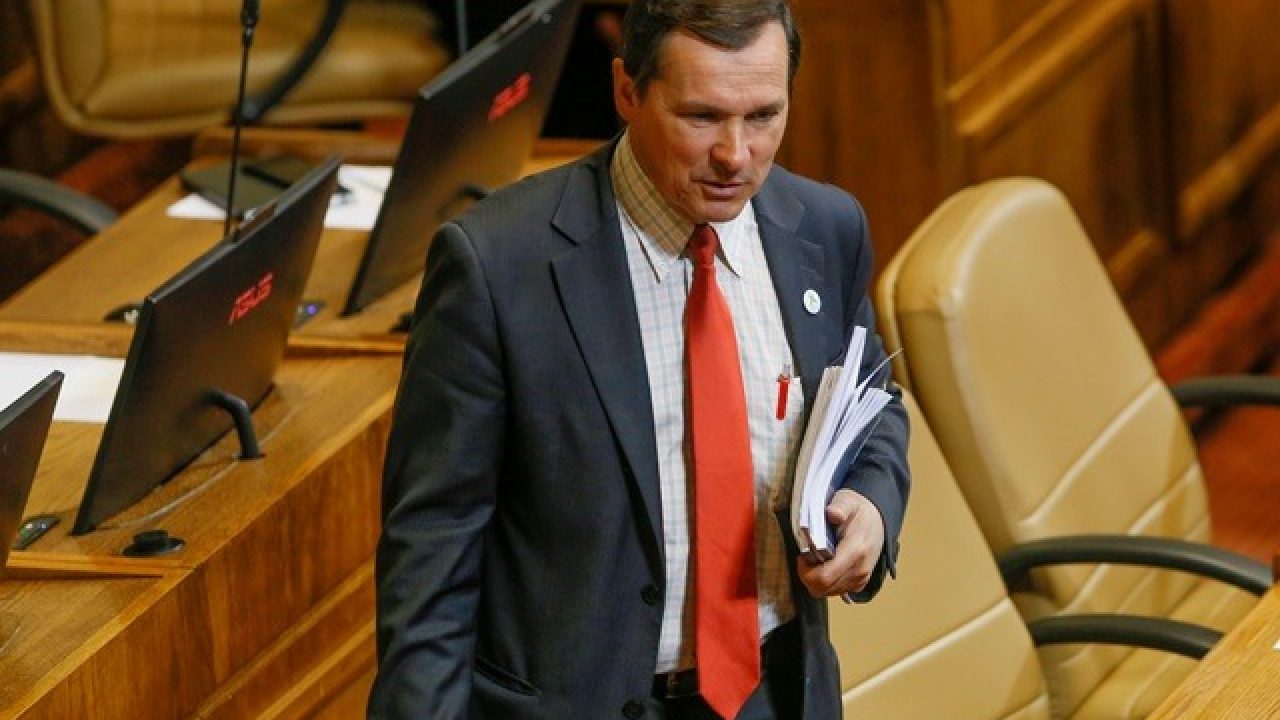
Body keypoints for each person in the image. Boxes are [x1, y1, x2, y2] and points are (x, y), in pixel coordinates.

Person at [369, 1, 910, 718]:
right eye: (701, 117)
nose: (735, 154)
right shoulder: (498, 267)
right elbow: (432, 550)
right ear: (627, 90)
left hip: (777, 694)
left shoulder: (826, 230)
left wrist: (872, 504)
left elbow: (872, 408)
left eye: (763, 116)